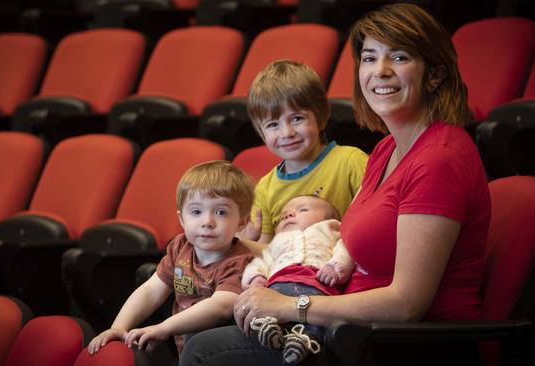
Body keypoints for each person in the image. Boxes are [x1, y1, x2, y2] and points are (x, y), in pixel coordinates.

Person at [180, 3, 491, 366]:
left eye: (400, 57)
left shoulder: (439, 157)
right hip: (348, 327)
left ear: (435, 75)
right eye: (370, 58)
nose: (380, 71)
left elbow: (407, 304)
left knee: (203, 350)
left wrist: (292, 305)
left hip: (399, 344)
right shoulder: (386, 150)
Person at [87, 160, 255, 359]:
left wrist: (163, 328)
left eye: (221, 212)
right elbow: (150, 291)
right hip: (187, 348)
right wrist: (119, 326)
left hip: (219, 355)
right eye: (196, 212)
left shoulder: (240, 261)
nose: (207, 222)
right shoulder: (180, 246)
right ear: (182, 219)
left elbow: (221, 307)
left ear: (242, 222)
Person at [240, 60, 368, 246]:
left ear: (321, 118)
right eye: (273, 125)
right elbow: (266, 251)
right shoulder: (264, 189)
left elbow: (378, 221)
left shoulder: (351, 161)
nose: (287, 133)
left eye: (297, 118)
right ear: (261, 133)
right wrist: (243, 245)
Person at [242, 195, 354, 364]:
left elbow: (346, 249)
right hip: (278, 286)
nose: (287, 216)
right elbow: (262, 261)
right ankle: (270, 332)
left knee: (316, 318)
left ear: (330, 219)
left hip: (318, 282)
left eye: (302, 210)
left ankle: (304, 340)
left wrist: (336, 266)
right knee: (263, 310)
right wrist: (256, 277)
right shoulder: (277, 242)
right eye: (282, 216)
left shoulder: (332, 231)